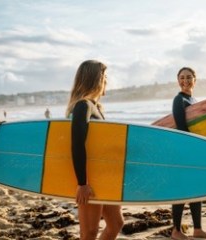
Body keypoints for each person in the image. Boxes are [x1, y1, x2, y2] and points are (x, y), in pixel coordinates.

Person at [65, 60, 124, 240]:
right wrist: (82, 183)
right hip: (90, 178)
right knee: (89, 232)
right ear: (96, 79)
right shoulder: (83, 105)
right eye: (105, 77)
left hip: (104, 176)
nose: (107, 81)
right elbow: (77, 143)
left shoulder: (95, 107)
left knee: (116, 224)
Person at [171, 67, 206, 240]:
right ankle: (176, 231)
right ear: (178, 80)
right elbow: (181, 128)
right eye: (182, 77)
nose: (185, 80)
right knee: (181, 189)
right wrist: (193, 147)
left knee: (197, 187)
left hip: (195, 148)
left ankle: (197, 229)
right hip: (184, 149)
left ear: (195, 79)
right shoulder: (178, 100)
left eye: (189, 77)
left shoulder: (193, 100)